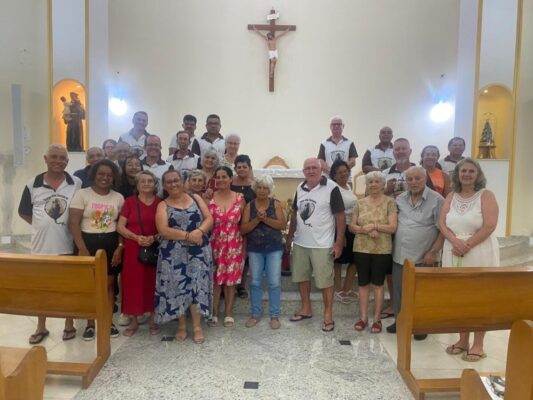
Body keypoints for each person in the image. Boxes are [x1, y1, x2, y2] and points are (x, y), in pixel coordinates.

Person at [18, 144, 82, 343]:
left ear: (67, 162)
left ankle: (69, 323)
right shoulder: (33, 184)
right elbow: (24, 212)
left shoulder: (76, 183)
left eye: (62, 158)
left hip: (67, 245)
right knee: (41, 289)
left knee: (68, 288)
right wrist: (42, 225)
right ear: (45, 159)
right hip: (40, 248)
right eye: (53, 157)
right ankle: (41, 326)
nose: (58, 161)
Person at [439, 158, 499, 362]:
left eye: (471, 171)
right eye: (463, 170)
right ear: (457, 174)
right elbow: (442, 223)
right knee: (458, 297)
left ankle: (478, 344)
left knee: (480, 297)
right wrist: (455, 241)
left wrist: (467, 244)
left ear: (478, 174)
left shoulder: (486, 195)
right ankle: (463, 340)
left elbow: (490, 225)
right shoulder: (451, 195)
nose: (466, 174)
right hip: (453, 249)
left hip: (479, 250)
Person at [154, 169, 213, 343]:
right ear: (164, 186)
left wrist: (199, 231)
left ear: (182, 181)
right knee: (177, 287)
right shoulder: (162, 205)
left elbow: (209, 218)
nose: (173, 184)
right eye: (169, 182)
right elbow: (163, 230)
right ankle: (181, 325)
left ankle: (197, 326)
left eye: (176, 180)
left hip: (198, 251)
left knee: (197, 286)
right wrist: (188, 236)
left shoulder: (196, 198)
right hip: (173, 253)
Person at [286, 158, 345, 333]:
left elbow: (340, 217)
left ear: (321, 170)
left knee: (325, 281)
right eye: (307, 168)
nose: (311, 171)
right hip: (301, 242)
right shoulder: (300, 187)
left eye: (314, 168)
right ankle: (306, 308)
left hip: (323, 244)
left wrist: (338, 243)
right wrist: (290, 237)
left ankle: (328, 314)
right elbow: (295, 213)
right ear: (303, 171)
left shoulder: (332, 188)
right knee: (302, 277)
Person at [69, 159, 125, 341]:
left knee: (109, 285)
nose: (105, 178)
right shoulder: (82, 194)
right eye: (101, 174)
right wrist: (81, 248)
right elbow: (74, 223)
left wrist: (119, 248)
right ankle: (90, 323)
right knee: (90, 287)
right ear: (94, 175)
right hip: (87, 243)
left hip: (110, 243)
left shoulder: (118, 197)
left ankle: (108, 321)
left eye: (109, 175)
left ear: (114, 178)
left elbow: (121, 226)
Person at [386, 166, 444, 338]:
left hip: (424, 257)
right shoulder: (400, 198)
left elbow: (443, 230)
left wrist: (433, 252)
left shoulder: (437, 200)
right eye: (409, 179)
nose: (413, 182)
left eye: (417, 178)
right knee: (399, 292)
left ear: (425, 179)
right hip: (400, 255)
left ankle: (420, 325)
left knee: (422, 294)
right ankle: (400, 321)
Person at [349, 171, 397, 334]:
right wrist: (364, 230)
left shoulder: (390, 202)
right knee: (363, 284)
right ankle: (363, 318)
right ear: (367, 185)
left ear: (383, 184)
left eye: (377, 181)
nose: (373, 184)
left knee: (378, 284)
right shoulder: (359, 203)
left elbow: (392, 227)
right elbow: (352, 226)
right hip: (361, 248)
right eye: (370, 182)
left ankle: (376, 320)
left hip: (382, 250)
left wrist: (375, 226)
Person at [116, 171, 161, 337]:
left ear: (155, 184)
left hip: (154, 247)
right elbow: (120, 226)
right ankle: (134, 321)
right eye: (143, 181)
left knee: (154, 283)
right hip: (133, 248)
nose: (147, 184)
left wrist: (153, 237)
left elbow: (166, 226)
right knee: (132, 284)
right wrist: (136, 238)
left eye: (150, 181)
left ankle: (153, 320)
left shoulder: (160, 202)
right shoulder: (129, 202)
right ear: (137, 184)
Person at [240, 175, 286, 329]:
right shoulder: (249, 206)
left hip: (274, 249)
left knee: (274, 282)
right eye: (259, 187)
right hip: (255, 249)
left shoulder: (276, 204)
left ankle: (274, 315)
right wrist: (256, 220)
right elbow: (243, 229)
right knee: (255, 282)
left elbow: (282, 225)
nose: (261, 190)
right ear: (255, 188)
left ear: (269, 190)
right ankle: (255, 315)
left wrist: (265, 219)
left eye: (265, 188)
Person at [207, 166, 245, 328]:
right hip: (214, 244)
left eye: (224, 177)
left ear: (230, 179)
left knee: (231, 280)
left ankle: (229, 313)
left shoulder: (239, 197)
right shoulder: (209, 197)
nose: (221, 180)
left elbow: (244, 223)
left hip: (234, 244)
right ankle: (214, 313)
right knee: (215, 280)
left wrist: (244, 247)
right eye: (218, 177)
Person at [329, 160, 358, 304]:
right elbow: (333, 212)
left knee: (355, 259)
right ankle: (338, 289)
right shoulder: (333, 188)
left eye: (346, 171)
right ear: (334, 175)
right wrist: (341, 235)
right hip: (340, 227)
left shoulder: (349, 186)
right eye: (340, 172)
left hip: (352, 227)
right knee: (338, 261)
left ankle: (347, 288)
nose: (343, 174)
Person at [230, 154, 255, 298]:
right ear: (235, 168)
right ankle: (230, 285)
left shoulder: (254, 184)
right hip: (231, 225)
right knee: (232, 255)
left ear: (249, 168)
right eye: (238, 167)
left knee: (245, 257)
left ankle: (241, 285)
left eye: (244, 167)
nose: (241, 169)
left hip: (249, 226)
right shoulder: (230, 182)